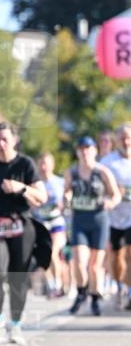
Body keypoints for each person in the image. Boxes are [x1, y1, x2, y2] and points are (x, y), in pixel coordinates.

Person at [0, 122, 47, 344]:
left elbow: (42, 197)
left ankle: (15, 325)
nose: (0, 144)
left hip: (20, 224)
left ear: (14, 140)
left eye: (4, 139)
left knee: (18, 277)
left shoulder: (25, 164)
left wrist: (20, 188)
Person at [65, 135, 121, 316]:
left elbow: (116, 194)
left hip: (99, 220)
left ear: (94, 151)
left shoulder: (102, 171)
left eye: (88, 149)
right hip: (80, 220)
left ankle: (95, 297)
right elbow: (66, 191)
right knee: (79, 262)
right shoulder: (71, 172)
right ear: (77, 152)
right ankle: (82, 292)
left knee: (95, 265)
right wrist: (66, 197)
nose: (85, 152)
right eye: (81, 149)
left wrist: (110, 203)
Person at [101, 123, 131, 309]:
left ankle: (129, 292)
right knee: (116, 257)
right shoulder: (108, 162)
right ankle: (119, 286)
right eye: (122, 138)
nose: (126, 142)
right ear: (117, 140)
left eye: (128, 138)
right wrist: (111, 193)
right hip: (114, 217)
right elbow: (99, 188)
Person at [32, 152, 68, 299]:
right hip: (41, 223)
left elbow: (67, 199)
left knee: (53, 252)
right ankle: (52, 284)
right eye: (41, 163)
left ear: (52, 165)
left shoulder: (59, 182)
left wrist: (64, 202)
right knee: (45, 256)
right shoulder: (34, 183)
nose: (43, 166)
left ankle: (58, 285)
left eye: (46, 163)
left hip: (56, 222)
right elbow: (31, 203)